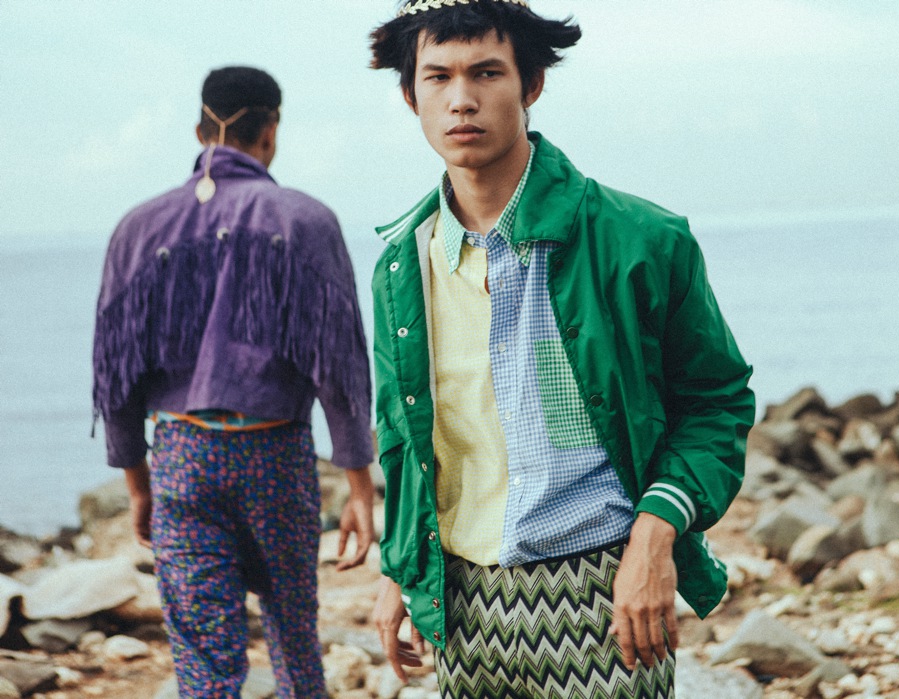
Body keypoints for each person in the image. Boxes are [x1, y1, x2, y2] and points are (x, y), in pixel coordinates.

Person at [366, 2, 755, 697]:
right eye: (438, 77)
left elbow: (716, 403)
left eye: (488, 73)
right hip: (461, 604)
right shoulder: (402, 264)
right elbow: (404, 435)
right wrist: (402, 568)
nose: (462, 99)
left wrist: (655, 535)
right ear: (409, 95)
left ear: (532, 84)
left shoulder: (641, 239)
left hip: (605, 589)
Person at [91, 66, 375, 699]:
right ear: (270, 131)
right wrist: (360, 485)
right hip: (276, 453)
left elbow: (115, 373)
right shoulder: (306, 220)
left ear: (200, 131)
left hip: (182, 455)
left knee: (204, 660)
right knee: (294, 639)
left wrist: (137, 483)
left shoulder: (139, 227)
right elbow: (340, 367)